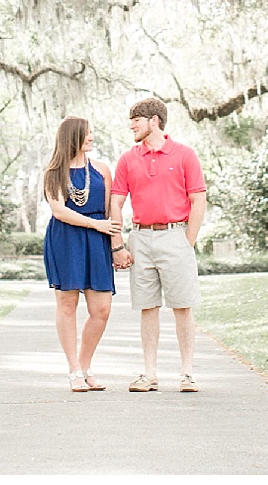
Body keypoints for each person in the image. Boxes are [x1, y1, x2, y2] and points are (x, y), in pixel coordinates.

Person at [108, 97, 207, 393]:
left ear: (154, 121)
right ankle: (149, 374)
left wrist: (187, 241)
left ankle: (187, 373)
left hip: (175, 235)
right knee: (147, 307)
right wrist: (119, 243)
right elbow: (116, 201)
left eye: (136, 121)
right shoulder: (128, 159)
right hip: (140, 237)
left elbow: (198, 199)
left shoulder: (185, 155)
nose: (131, 126)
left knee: (182, 306)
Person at [41, 116, 121, 392]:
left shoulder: (101, 170)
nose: (92, 137)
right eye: (87, 133)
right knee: (67, 305)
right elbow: (59, 210)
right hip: (66, 239)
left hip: (98, 240)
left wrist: (116, 246)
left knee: (101, 309)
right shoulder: (54, 171)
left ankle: (85, 366)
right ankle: (73, 369)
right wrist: (94, 223)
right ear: (72, 136)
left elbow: (111, 210)